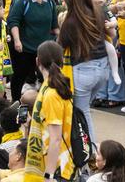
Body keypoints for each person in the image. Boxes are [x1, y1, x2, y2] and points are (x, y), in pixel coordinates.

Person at [58, 0, 111, 135]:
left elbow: (59, 47)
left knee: (82, 114)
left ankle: (90, 151)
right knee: (83, 109)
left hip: (83, 70)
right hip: (103, 69)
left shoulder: (70, 21)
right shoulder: (98, 12)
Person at [25, 41, 76, 182]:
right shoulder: (53, 86)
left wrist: (49, 175)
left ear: (37, 61)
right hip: (56, 163)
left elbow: (55, 138)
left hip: (56, 168)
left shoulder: (51, 93)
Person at [7, 0, 58, 100]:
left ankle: (45, 101)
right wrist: (17, 41)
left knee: (46, 76)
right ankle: (16, 101)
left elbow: (54, 25)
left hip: (43, 48)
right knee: (19, 76)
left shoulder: (50, 0)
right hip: (24, 48)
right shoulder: (23, 1)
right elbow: (13, 21)